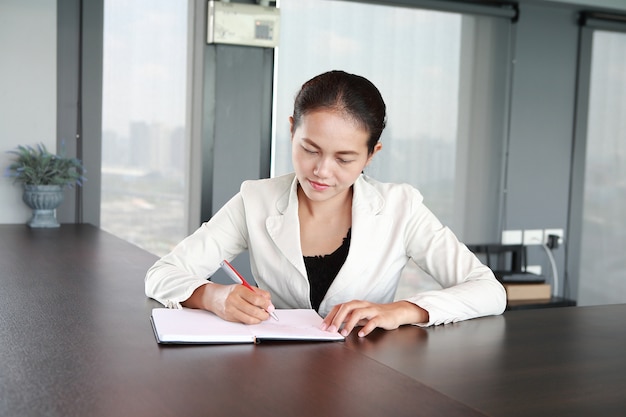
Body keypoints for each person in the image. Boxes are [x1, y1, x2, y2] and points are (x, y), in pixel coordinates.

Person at [145, 70, 506, 338]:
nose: (321, 171)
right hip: (274, 373)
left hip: (368, 375)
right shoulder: (255, 200)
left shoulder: (401, 207)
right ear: (291, 130)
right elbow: (161, 274)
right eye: (309, 149)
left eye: (344, 159)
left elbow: (488, 291)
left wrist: (403, 310)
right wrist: (214, 296)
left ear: (371, 154)